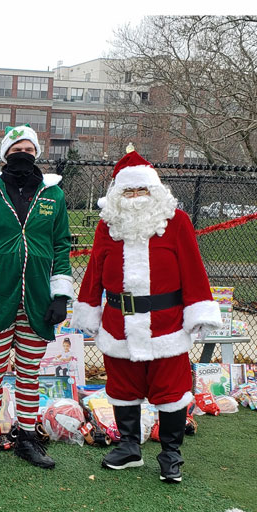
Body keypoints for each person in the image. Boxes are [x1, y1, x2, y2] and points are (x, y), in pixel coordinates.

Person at [70, 147, 221, 483]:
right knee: (122, 386)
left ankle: (171, 454)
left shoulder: (178, 223)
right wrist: (88, 309)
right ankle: (128, 447)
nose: (136, 197)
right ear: (117, 195)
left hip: (166, 324)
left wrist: (198, 313)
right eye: (128, 191)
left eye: (141, 190)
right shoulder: (107, 227)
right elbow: (95, 269)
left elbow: (194, 270)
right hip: (118, 324)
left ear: (155, 192)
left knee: (171, 390)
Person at [0, 125, 74, 471]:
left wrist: (60, 296)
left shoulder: (54, 195)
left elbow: (61, 246)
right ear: (5, 153)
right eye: (16, 147)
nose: (23, 153)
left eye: (29, 147)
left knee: (28, 373)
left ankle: (27, 438)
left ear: (37, 152)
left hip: (38, 299)